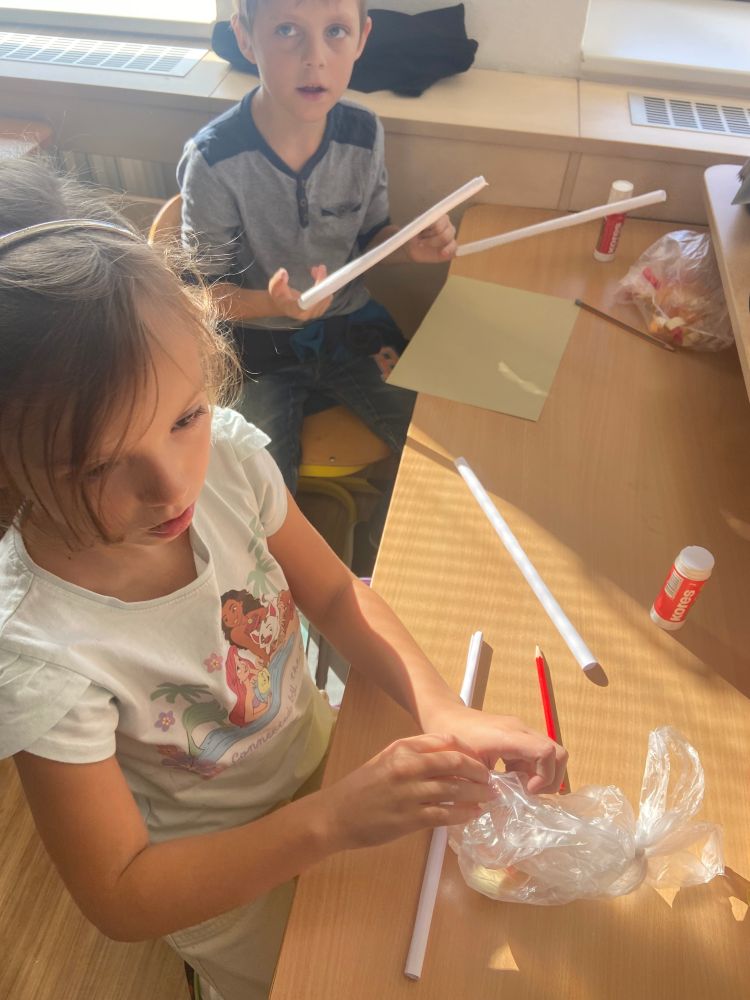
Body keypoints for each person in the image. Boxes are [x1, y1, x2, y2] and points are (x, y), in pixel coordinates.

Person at [0, 159, 567, 1000]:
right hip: (221, 885)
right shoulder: (38, 649)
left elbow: (333, 593)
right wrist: (329, 822)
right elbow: (121, 893)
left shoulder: (228, 464)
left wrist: (444, 710)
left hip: (325, 765)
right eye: (95, 466)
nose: (172, 487)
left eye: (185, 416)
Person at [177, 0, 458, 496]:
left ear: (362, 38)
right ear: (245, 37)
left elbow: (371, 235)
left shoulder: (363, 131)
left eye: (335, 32)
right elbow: (199, 297)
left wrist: (406, 246)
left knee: (443, 452)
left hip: (352, 325)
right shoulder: (214, 159)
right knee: (257, 493)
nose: (315, 58)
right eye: (287, 30)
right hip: (255, 346)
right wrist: (274, 304)